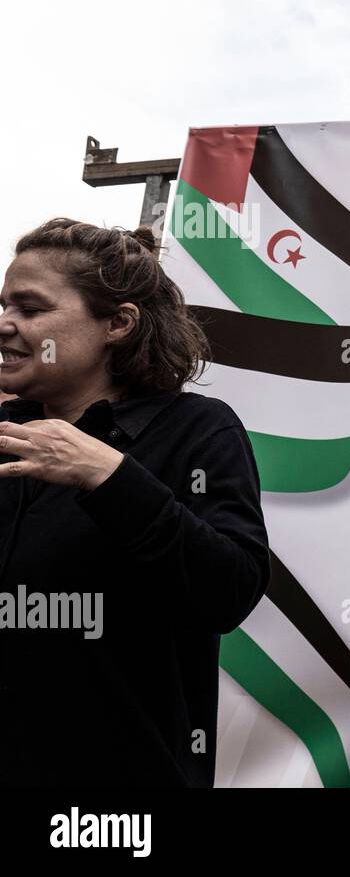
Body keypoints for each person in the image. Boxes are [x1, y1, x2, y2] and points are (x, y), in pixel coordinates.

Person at [0, 218, 270, 786]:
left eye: (29, 308)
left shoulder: (197, 431)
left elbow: (232, 590)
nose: (5, 325)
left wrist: (110, 477)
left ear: (118, 324)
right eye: (3, 307)